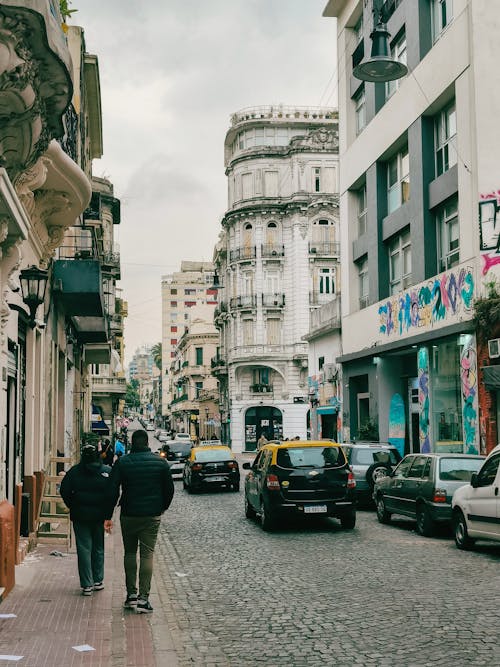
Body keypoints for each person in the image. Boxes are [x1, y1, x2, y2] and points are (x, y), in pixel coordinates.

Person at [110, 429, 174, 613]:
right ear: (147, 442)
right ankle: (143, 599)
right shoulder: (160, 463)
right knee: (147, 554)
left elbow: (112, 489)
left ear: (132, 443)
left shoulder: (123, 462)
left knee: (129, 553)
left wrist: (108, 514)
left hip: (129, 513)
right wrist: (163, 507)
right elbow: (169, 490)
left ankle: (131, 595)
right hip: (151, 515)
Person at [59, 444, 113, 596]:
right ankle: (98, 580)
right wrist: (107, 513)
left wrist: (73, 505)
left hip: (80, 516)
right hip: (99, 516)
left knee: (83, 549)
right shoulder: (106, 472)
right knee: (98, 548)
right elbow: (112, 493)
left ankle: (87, 584)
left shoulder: (74, 472)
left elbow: (64, 490)